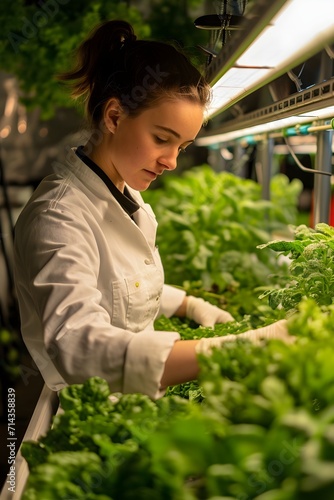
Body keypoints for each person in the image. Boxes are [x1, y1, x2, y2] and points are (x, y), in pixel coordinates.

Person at [13, 20, 291, 400]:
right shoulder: (57, 218)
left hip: (134, 396)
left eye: (183, 147)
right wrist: (240, 347)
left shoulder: (122, 191)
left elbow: (120, 288)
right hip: (85, 404)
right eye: (163, 139)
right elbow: (79, 346)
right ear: (113, 117)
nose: (172, 161)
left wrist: (190, 304)